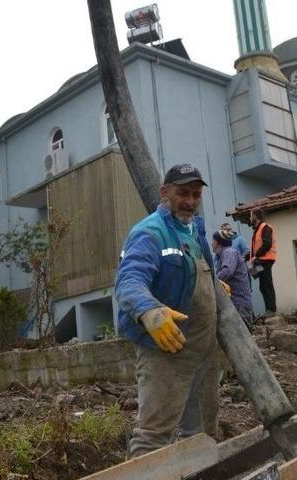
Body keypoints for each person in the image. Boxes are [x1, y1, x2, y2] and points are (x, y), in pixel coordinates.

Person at [115, 163, 223, 457]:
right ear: (165, 192)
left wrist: (214, 287)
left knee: (202, 436)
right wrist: (149, 311)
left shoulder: (193, 230)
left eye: (196, 194)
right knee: (153, 439)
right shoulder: (150, 233)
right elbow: (129, 280)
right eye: (182, 193)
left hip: (202, 352)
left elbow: (189, 273)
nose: (190, 201)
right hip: (167, 353)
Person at [212, 230, 254, 329]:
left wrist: (212, 282)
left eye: (213, 240)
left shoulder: (228, 253)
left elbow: (227, 271)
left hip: (239, 305)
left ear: (218, 242)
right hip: (237, 304)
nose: (211, 243)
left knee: (243, 339)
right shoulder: (223, 255)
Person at [248, 208, 277, 313]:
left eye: (250, 215)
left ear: (255, 216)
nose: (250, 218)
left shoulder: (265, 227)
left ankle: (271, 310)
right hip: (261, 260)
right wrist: (248, 257)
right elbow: (257, 247)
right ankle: (269, 309)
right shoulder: (258, 229)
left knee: (267, 285)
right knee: (263, 286)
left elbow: (267, 244)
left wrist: (256, 256)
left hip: (265, 260)